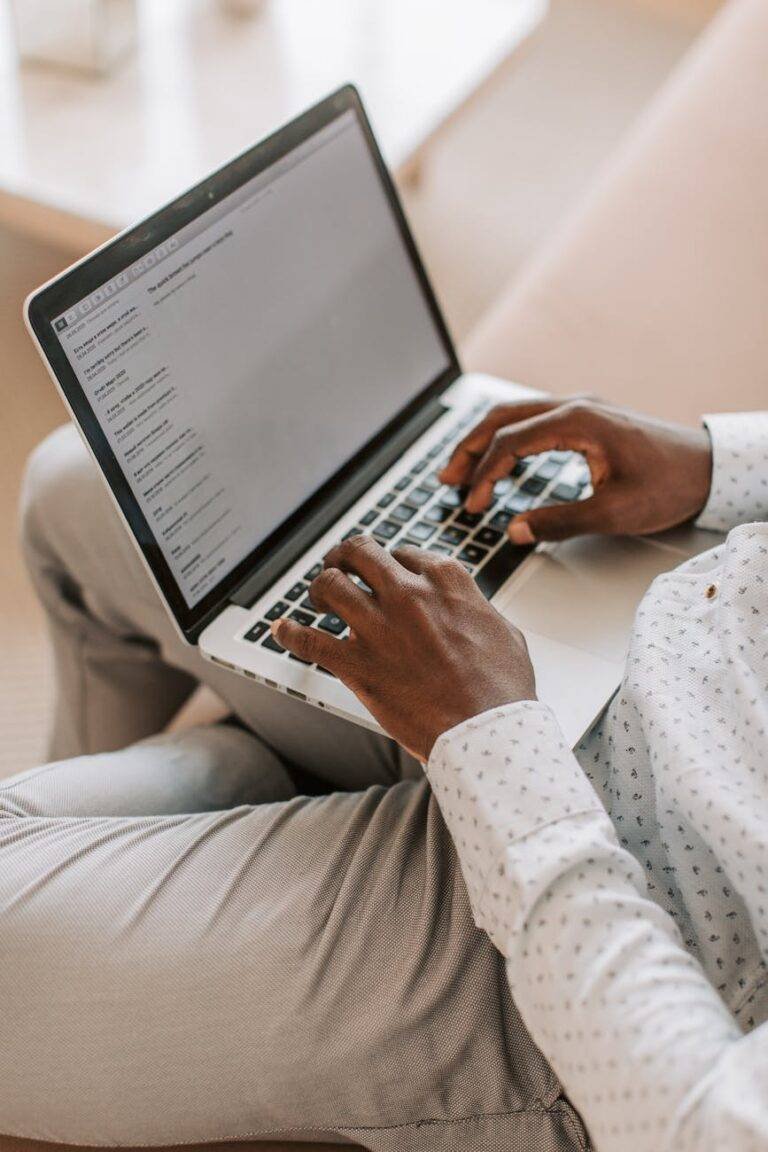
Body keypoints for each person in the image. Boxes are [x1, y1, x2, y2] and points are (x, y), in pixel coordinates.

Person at [2, 397, 766, 1152]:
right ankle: (252, 777)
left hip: (617, 935)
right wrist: (714, 466)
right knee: (83, 483)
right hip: (631, 651)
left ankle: (255, 771)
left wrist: (484, 740)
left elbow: (703, 1126)